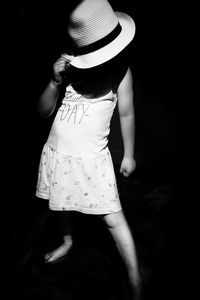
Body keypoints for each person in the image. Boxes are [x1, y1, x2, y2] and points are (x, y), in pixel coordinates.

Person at [36, 0, 141, 298]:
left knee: (113, 219)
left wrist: (130, 154)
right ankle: (68, 241)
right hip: (58, 154)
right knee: (60, 204)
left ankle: (135, 277)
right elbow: (42, 112)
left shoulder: (121, 72)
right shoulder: (69, 67)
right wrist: (54, 82)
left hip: (92, 162)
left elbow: (127, 114)